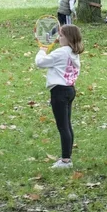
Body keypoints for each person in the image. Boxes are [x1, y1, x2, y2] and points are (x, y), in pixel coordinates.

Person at [35, 24, 82, 169]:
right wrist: (54, 42)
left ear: (68, 38)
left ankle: (65, 160)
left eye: (61, 36)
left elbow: (40, 63)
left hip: (59, 92)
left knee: (63, 127)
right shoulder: (74, 52)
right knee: (67, 125)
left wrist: (42, 50)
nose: (58, 38)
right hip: (69, 90)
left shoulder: (62, 52)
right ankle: (67, 158)